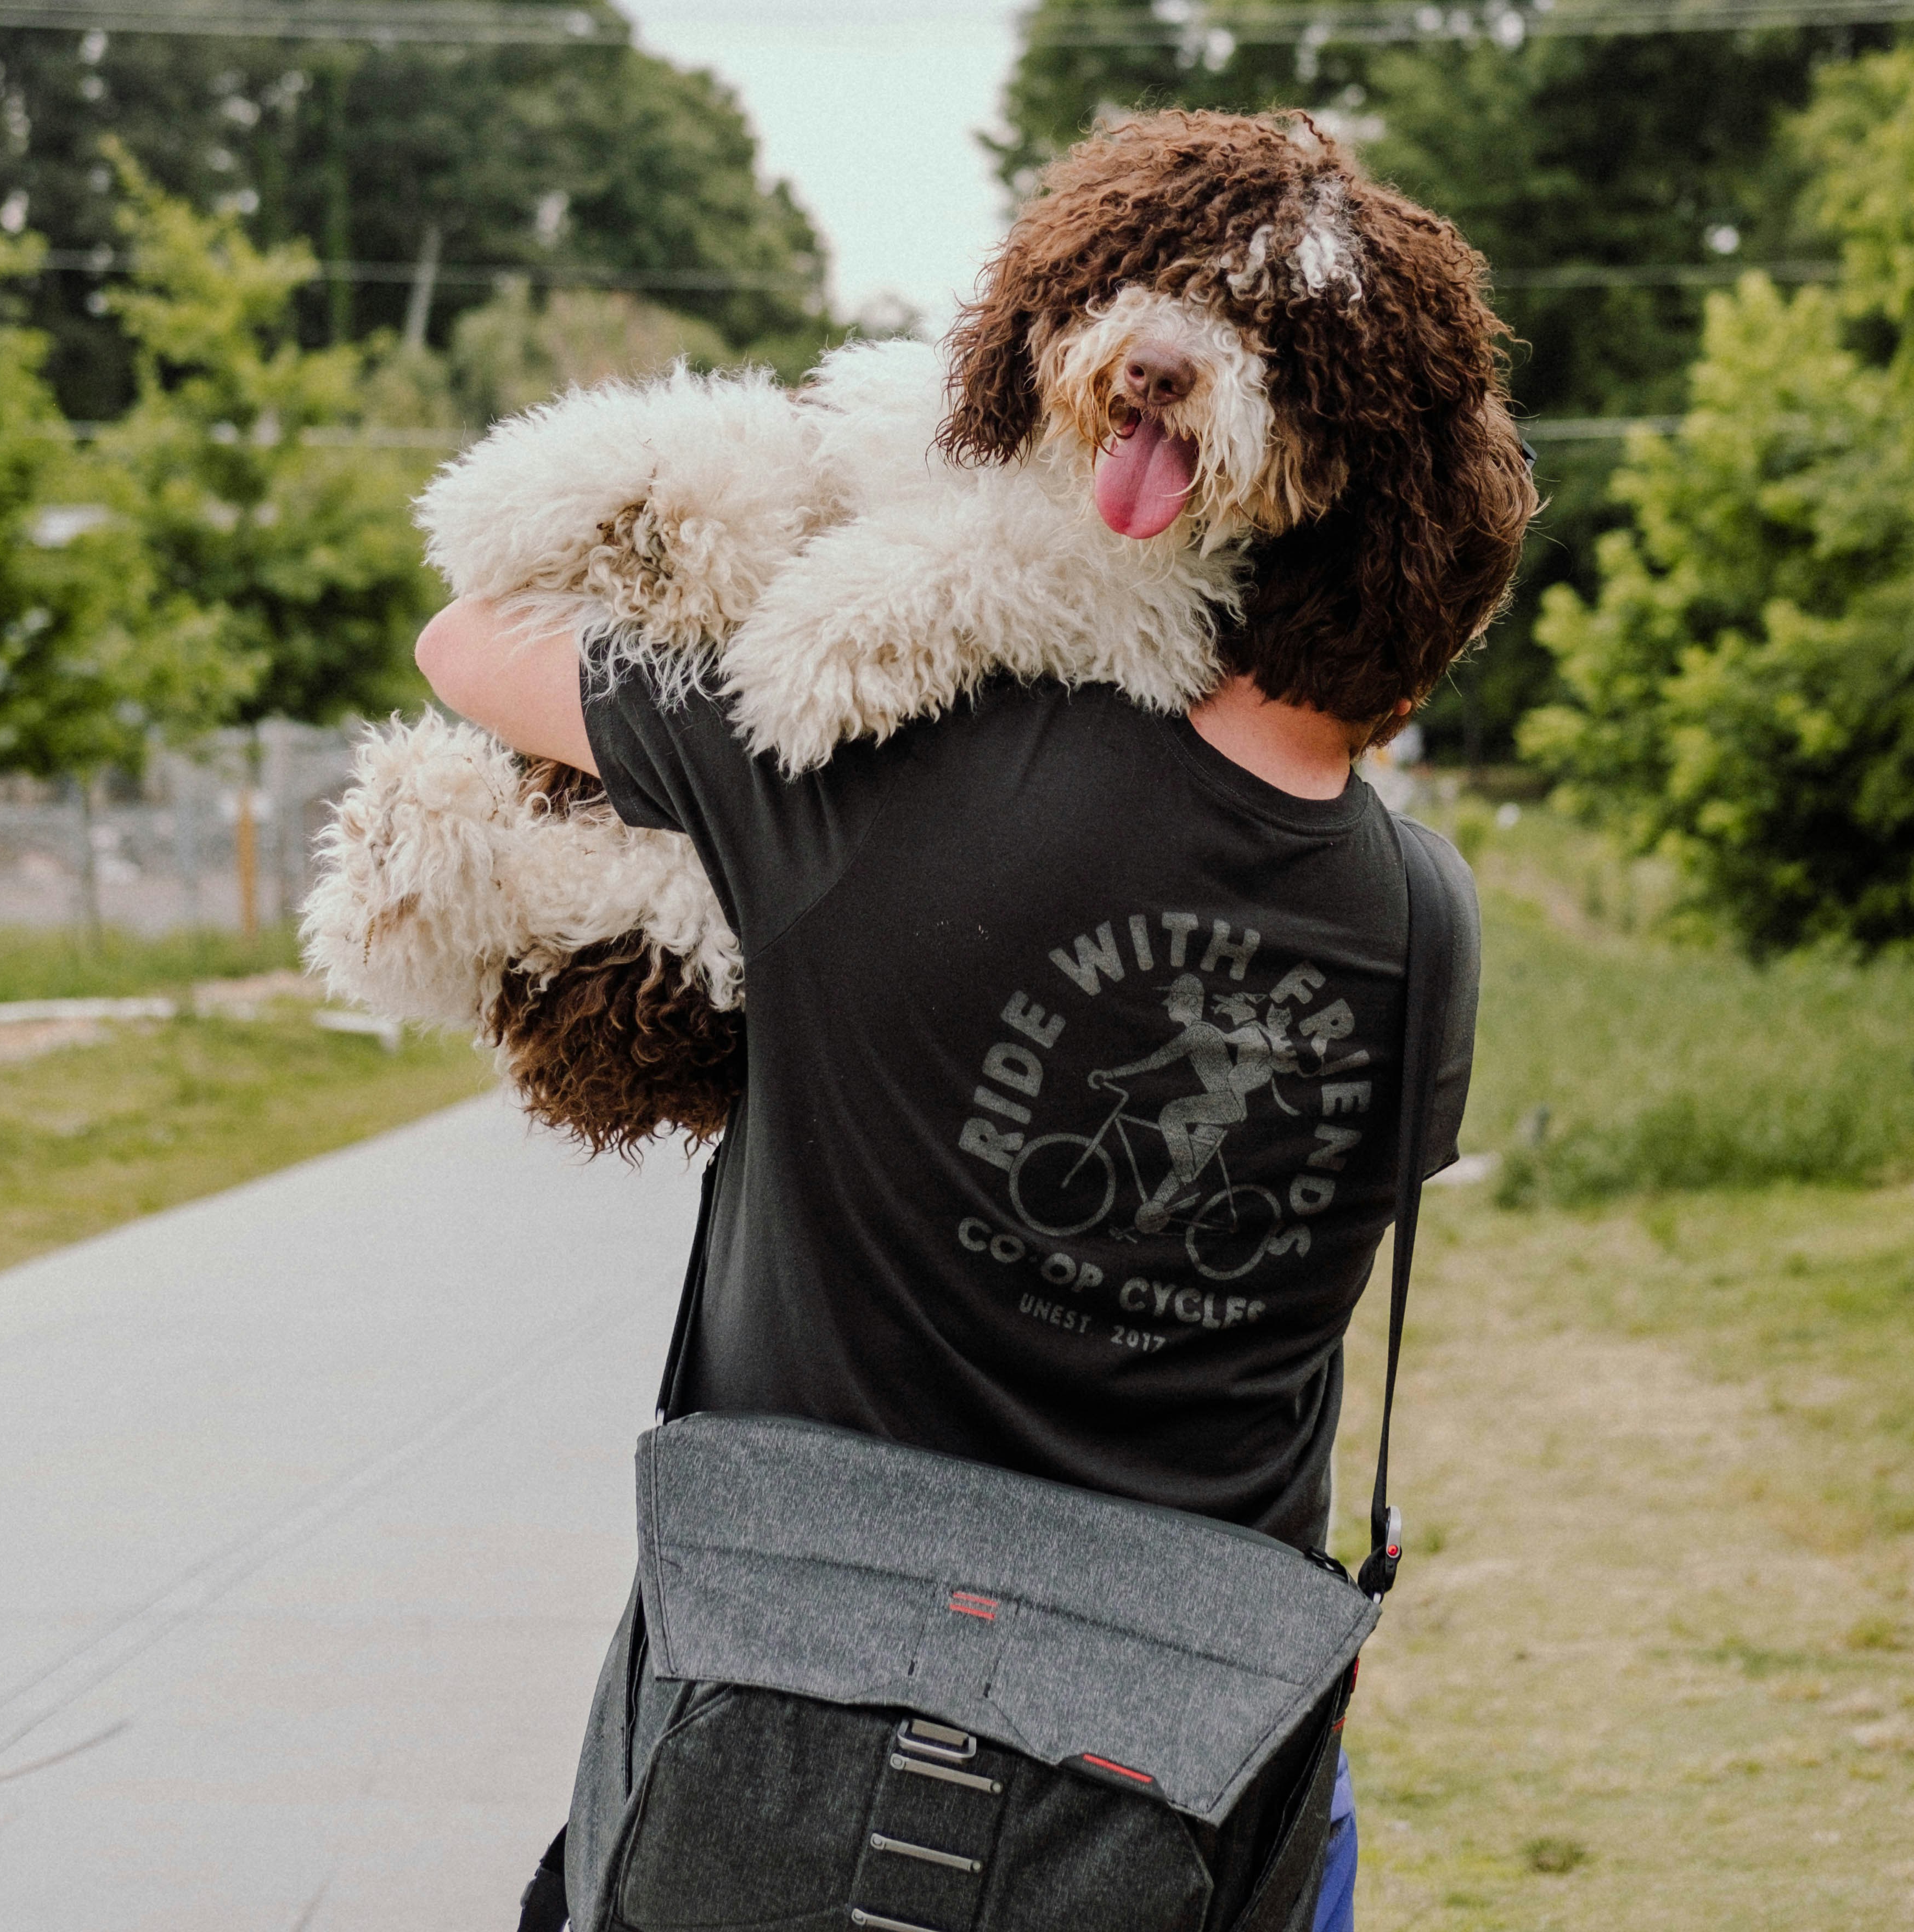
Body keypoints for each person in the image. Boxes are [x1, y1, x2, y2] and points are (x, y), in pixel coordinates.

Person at [420, 604, 1482, 1931]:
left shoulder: (887, 772)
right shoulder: (1427, 919)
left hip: (777, 1695)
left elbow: (469, 642)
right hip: (1185, 1748)